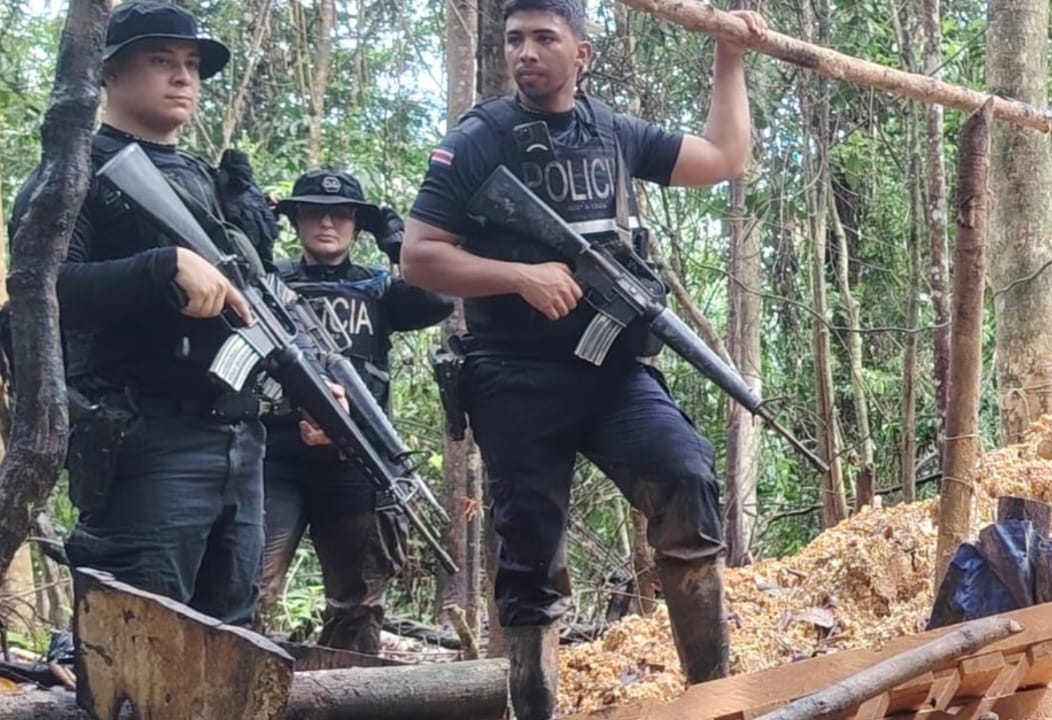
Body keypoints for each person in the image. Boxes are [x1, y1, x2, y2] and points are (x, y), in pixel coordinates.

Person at [399, 0, 764, 715]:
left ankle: (713, 696)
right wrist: (519, 276)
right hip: (513, 375)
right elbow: (418, 257)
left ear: (583, 54)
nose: (525, 53)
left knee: (685, 475)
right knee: (530, 549)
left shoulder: (615, 132)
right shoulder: (479, 140)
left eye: (543, 38)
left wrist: (729, 58)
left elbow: (723, 157)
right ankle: (533, 705)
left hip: (615, 374)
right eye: (514, 40)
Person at [4, 2, 322, 627]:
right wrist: (160, 267)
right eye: (161, 61)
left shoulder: (205, 181)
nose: (183, 77)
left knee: (231, 649)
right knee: (139, 646)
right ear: (109, 74)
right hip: (141, 441)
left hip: (239, 442)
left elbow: (255, 307)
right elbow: (37, 295)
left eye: (192, 65)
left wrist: (309, 385)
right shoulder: (74, 170)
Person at [255, 168, 453, 652]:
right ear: (296, 220)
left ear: (356, 225)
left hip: (356, 460)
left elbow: (437, 299)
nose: (327, 223)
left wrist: (395, 239)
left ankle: (352, 693)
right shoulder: (267, 283)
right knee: (249, 586)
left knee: (357, 601)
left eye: (341, 215)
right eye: (314, 213)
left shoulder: (379, 287)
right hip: (275, 459)